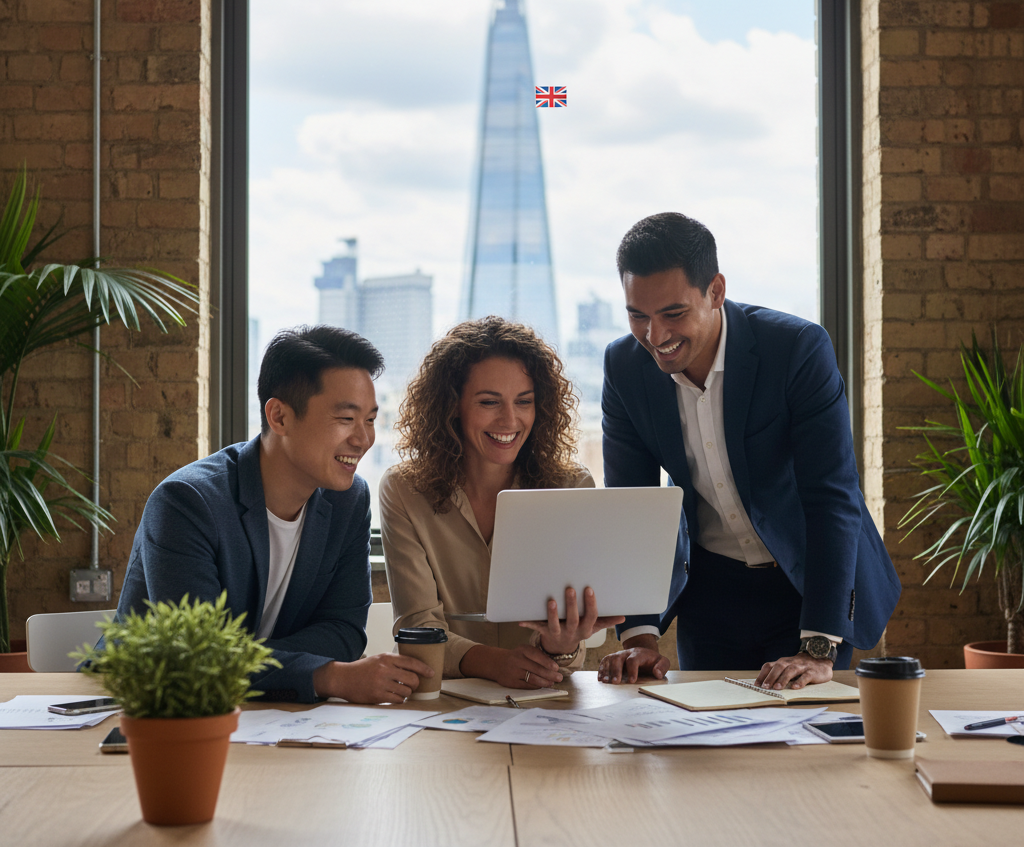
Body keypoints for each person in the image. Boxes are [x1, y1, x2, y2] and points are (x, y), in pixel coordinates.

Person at [598, 213, 901, 690]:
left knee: (807, 749)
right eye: (639, 315)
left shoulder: (797, 349)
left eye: (673, 313)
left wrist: (819, 647)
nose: (655, 337)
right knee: (707, 747)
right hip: (711, 591)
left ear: (715, 291)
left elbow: (831, 497)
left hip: (805, 583)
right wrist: (640, 633)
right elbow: (630, 506)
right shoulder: (624, 367)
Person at [112, 325, 433, 704]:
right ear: (279, 416)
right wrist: (325, 675)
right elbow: (197, 656)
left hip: (273, 710)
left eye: (370, 419)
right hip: (145, 705)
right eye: (346, 419)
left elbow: (345, 631)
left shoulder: (349, 500)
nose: (363, 439)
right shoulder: (187, 503)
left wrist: (250, 660)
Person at [380, 316, 623, 688]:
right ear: (452, 406)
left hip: (547, 704)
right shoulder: (403, 490)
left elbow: (566, 655)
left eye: (524, 401)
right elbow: (417, 630)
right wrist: (494, 663)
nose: (510, 419)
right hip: (446, 706)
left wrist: (560, 646)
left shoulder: (571, 486)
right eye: (489, 402)